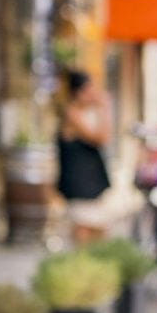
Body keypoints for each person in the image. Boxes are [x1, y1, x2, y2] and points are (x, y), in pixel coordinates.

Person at [57, 69, 112, 245]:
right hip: (79, 183)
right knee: (83, 230)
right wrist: (105, 108)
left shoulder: (87, 112)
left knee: (99, 230)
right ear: (78, 92)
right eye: (89, 90)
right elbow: (100, 138)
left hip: (91, 183)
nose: (93, 94)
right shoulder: (71, 113)